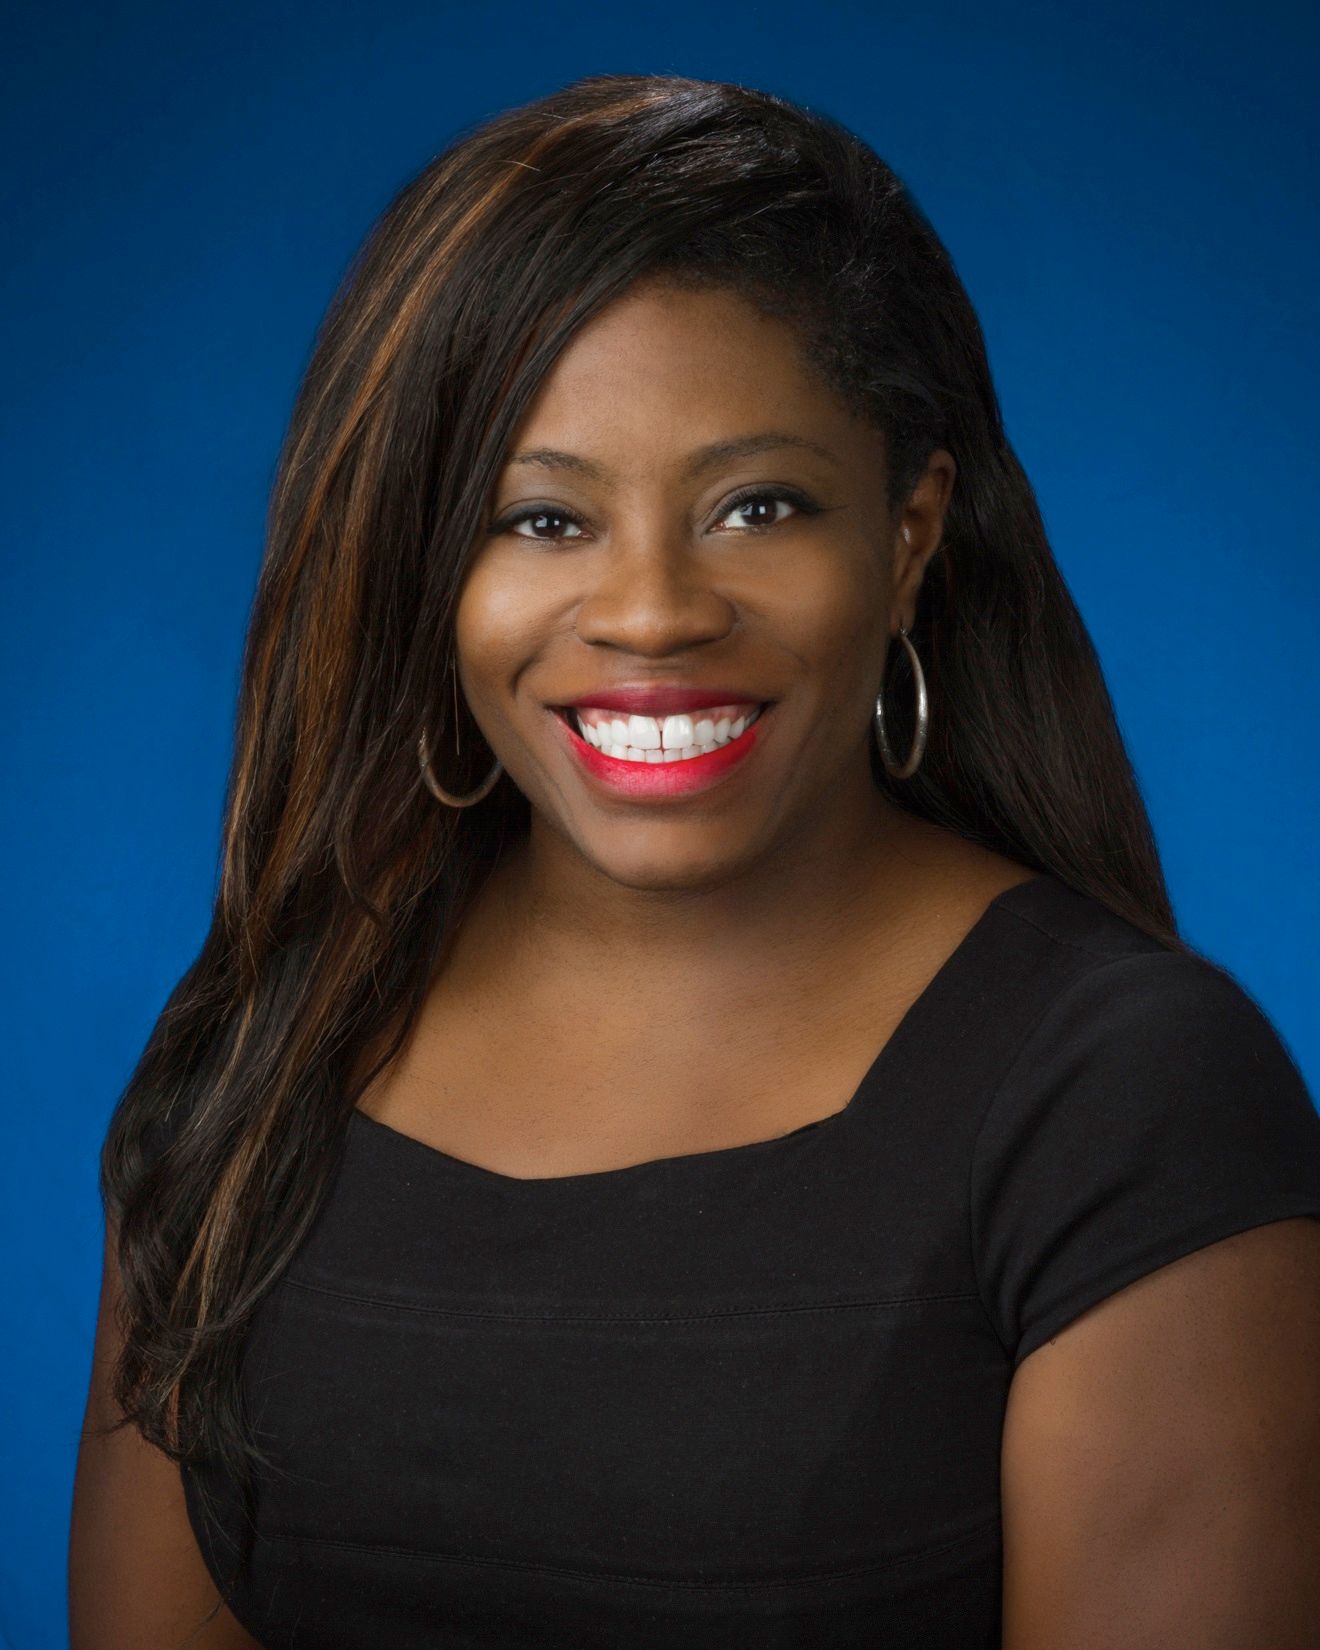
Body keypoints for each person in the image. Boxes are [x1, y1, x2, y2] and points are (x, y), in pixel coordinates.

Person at [69, 72, 1320, 1649]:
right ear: (424, 566)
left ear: (908, 536)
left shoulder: (1130, 1100)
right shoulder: (270, 1043)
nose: (653, 612)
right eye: (542, 520)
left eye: (757, 505)